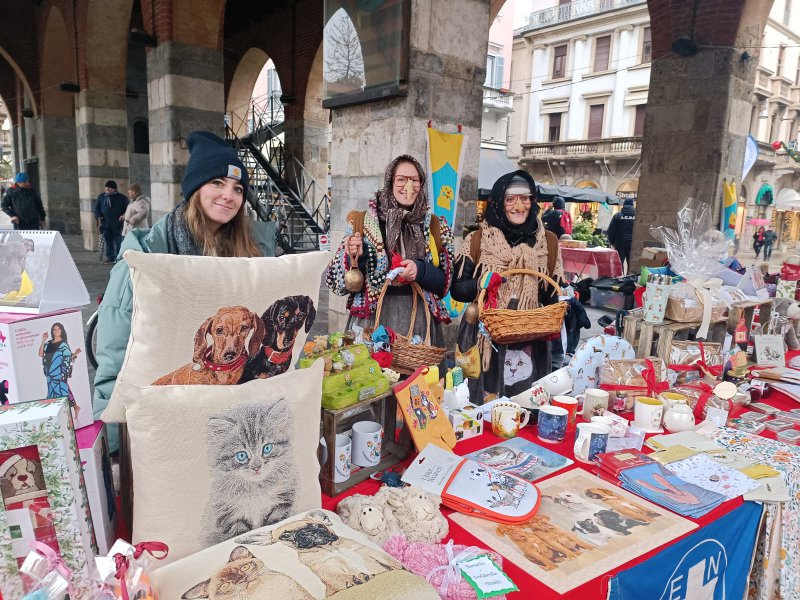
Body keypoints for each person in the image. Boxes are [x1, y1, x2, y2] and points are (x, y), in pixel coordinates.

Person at [93, 131, 274, 453]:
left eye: (237, 188)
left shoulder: (253, 255)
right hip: (167, 414)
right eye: (217, 183)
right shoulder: (146, 257)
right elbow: (116, 351)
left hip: (231, 414)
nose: (228, 195)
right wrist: (112, 436)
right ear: (195, 188)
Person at [450, 170, 565, 402]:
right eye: (510, 198)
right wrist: (480, 284)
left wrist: (563, 305)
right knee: (481, 402)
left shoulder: (549, 242)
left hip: (529, 336)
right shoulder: (477, 240)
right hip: (484, 336)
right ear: (498, 202)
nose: (518, 205)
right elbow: (457, 289)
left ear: (533, 201)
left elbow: (553, 296)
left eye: (525, 198)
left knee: (525, 403)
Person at [326, 154, 454, 354]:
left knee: (416, 382)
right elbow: (337, 282)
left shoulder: (436, 226)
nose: (407, 186)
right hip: (372, 319)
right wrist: (357, 259)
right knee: (370, 380)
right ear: (390, 182)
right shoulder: (363, 223)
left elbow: (444, 284)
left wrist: (420, 271)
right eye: (401, 179)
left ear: (421, 183)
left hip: (417, 319)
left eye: (414, 180)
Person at [38, 322, 81, 421]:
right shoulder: (48, 343)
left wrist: (64, 371)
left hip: (60, 372)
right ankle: (72, 408)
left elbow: (67, 358)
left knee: (63, 391)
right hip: (49, 372)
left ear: (62, 330)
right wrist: (43, 340)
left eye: (58, 329)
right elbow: (41, 354)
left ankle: (65, 415)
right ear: (52, 331)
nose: (56, 331)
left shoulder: (64, 344)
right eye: (54, 329)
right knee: (53, 391)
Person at [93, 180, 129, 264]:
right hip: (105, 223)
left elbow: (127, 210)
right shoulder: (101, 197)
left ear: (114, 189)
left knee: (118, 241)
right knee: (108, 242)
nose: (107, 189)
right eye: (106, 187)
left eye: (109, 188)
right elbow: (96, 209)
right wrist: (98, 216)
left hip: (117, 224)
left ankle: (119, 257)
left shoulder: (122, 198)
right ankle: (110, 257)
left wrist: (123, 216)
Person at [607, 198, 636, 272]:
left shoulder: (617, 215)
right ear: (632, 205)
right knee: (632, 263)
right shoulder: (637, 217)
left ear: (624, 205)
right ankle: (630, 279)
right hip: (633, 243)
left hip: (620, 242)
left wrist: (612, 242)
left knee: (619, 263)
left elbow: (611, 230)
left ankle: (621, 280)